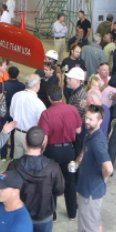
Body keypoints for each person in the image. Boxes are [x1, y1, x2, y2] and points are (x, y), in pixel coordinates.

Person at [5, 127, 64, 232]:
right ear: (44, 142)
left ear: (25, 141)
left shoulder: (15, 165)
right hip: (44, 216)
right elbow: (60, 190)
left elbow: (6, 188)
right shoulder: (52, 167)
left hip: (20, 217)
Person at [68, 105, 112, 232]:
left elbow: (108, 167)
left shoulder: (97, 141)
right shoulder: (90, 136)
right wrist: (79, 161)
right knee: (96, 221)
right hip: (91, 187)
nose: (87, 121)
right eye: (86, 118)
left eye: (91, 119)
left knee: (91, 228)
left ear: (100, 121)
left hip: (91, 190)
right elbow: (85, 155)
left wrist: (103, 178)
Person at [38, 85, 82, 220]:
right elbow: (79, 130)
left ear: (50, 98)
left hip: (52, 152)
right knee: (70, 181)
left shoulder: (46, 114)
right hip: (69, 151)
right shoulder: (73, 109)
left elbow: (43, 139)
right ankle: (72, 212)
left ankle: (53, 215)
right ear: (61, 95)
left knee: (51, 182)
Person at [0, 66, 24, 162]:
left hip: (3, 114)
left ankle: (3, 156)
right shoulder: (22, 86)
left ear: (8, 74)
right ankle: (12, 155)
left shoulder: (3, 85)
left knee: (3, 133)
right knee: (13, 135)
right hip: (15, 114)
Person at [8, 74, 45, 160]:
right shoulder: (38, 103)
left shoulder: (16, 95)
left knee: (18, 162)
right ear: (37, 85)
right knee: (31, 162)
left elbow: (11, 114)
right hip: (31, 137)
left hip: (17, 133)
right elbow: (42, 122)